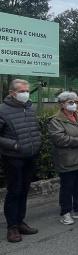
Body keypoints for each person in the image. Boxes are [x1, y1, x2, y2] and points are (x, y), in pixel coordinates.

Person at [0, 79, 41, 243]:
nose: (26, 94)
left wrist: (37, 143)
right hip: (13, 158)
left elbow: (34, 129)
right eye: (22, 91)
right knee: (14, 191)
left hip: (30, 156)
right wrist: (15, 145)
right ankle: (12, 228)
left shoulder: (30, 108)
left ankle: (20, 221)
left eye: (27, 91)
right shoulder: (2, 110)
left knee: (24, 190)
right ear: (12, 93)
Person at [48, 92, 78, 225]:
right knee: (67, 187)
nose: (74, 105)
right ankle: (65, 212)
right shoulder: (55, 120)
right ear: (62, 104)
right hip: (67, 160)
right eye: (70, 102)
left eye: (76, 102)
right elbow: (59, 139)